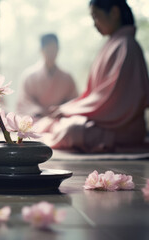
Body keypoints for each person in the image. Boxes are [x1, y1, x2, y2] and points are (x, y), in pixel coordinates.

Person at [36, 0, 149, 153]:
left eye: (96, 16)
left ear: (114, 13)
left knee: (72, 130)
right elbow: (95, 95)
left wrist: (70, 110)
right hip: (104, 119)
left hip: (122, 127)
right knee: (54, 122)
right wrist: (68, 109)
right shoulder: (114, 44)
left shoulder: (127, 46)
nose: (94, 24)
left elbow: (111, 100)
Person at [16, 33, 78, 119]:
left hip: (60, 118)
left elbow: (73, 100)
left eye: (54, 49)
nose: (51, 53)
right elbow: (24, 102)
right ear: (41, 50)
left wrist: (62, 110)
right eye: (48, 49)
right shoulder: (29, 76)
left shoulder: (67, 77)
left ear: (58, 49)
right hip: (36, 118)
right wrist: (38, 112)